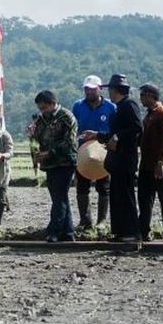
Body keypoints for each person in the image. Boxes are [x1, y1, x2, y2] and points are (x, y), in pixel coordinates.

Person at [71, 75, 115, 230]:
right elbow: (73, 129)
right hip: (83, 153)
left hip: (103, 153)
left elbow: (114, 131)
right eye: (86, 89)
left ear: (100, 89)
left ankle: (102, 221)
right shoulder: (78, 106)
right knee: (81, 187)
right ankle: (85, 220)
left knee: (104, 187)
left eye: (92, 89)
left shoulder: (111, 108)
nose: (88, 92)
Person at [33, 90, 78, 242]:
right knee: (60, 198)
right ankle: (68, 232)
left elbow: (69, 142)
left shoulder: (66, 116)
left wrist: (49, 153)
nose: (42, 111)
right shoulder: (41, 119)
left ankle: (54, 231)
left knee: (59, 197)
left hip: (64, 162)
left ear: (53, 104)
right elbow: (38, 138)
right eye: (40, 109)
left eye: (44, 108)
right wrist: (32, 133)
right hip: (49, 164)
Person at [137, 83, 163, 241]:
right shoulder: (149, 114)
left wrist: (161, 162)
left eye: (142, 95)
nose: (141, 98)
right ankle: (143, 231)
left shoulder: (162, 113)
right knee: (144, 198)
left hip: (159, 164)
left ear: (150, 95)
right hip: (146, 164)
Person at [103, 74, 142, 243]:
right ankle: (120, 232)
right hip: (117, 159)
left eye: (110, 90)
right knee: (117, 196)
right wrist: (98, 136)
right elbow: (112, 134)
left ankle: (133, 232)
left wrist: (118, 136)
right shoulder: (118, 107)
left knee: (126, 195)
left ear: (116, 90)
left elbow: (136, 126)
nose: (109, 93)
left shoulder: (129, 105)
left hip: (126, 158)